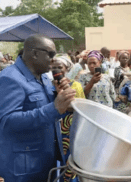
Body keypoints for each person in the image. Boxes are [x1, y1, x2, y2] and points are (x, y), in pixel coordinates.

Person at [0, 34, 76, 181]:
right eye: (50, 54)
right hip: (22, 168)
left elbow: (48, 114)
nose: (54, 59)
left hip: (44, 162)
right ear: (35, 53)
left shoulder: (43, 77)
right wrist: (54, 108)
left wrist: (62, 101)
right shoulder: (9, 78)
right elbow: (7, 121)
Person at [51, 54, 85, 182]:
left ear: (67, 68)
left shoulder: (76, 85)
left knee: (71, 155)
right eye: (54, 67)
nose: (57, 70)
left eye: (60, 67)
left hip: (71, 126)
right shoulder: (49, 85)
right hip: (55, 125)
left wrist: (63, 102)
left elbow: (80, 105)